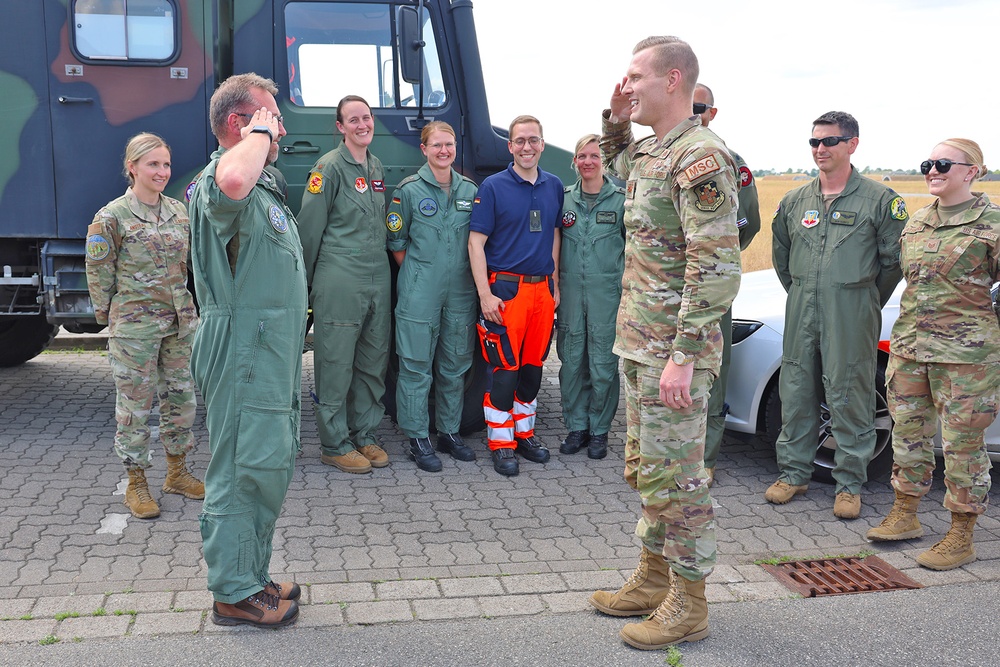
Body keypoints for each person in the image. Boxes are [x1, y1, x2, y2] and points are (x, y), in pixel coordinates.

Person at [587, 36, 741, 650]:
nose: (626, 86)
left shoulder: (701, 159)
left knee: (678, 480)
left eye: (635, 78)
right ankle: (653, 580)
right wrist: (614, 117)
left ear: (673, 79)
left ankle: (690, 603)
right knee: (648, 472)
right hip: (640, 345)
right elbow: (622, 164)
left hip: (672, 354)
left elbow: (717, 266)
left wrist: (682, 354)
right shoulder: (655, 153)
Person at [187, 73, 306, 628]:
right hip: (242, 348)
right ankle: (232, 592)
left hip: (266, 351)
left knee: (264, 463)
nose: (280, 126)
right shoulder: (225, 174)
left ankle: (251, 575)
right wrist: (256, 135)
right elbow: (233, 177)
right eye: (270, 116)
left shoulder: (263, 185)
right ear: (239, 122)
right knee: (239, 467)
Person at [866, 139, 999, 570]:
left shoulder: (992, 223)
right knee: (908, 433)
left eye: (943, 163)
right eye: (928, 163)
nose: (932, 170)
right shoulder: (917, 222)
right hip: (910, 349)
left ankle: (961, 534)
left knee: (961, 444)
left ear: (972, 171)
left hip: (966, 357)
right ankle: (905, 514)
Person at [768, 111, 906, 520]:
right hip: (802, 308)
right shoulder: (795, 201)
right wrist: (805, 291)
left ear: (852, 144)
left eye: (829, 141)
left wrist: (859, 298)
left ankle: (849, 483)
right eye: (814, 142)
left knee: (850, 392)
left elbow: (892, 262)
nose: (820, 149)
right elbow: (781, 256)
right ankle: (793, 473)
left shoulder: (881, 200)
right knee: (795, 388)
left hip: (852, 309)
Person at [85, 132, 202, 521]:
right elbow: (99, 272)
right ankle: (136, 482)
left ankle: (177, 473)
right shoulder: (112, 216)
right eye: (153, 164)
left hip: (177, 322)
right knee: (135, 408)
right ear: (132, 167)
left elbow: (191, 266)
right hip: (135, 328)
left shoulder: (178, 212)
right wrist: (110, 317)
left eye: (166, 164)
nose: (162, 172)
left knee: (182, 400)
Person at [298, 95, 390, 474]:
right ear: (340, 127)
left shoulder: (376, 165)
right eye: (353, 120)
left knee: (372, 361)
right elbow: (310, 228)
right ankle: (334, 444)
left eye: (366, 118)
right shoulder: (328, 168)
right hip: (339, 276)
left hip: (376, 276)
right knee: (335, 363)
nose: (361, 124)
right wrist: (303, 283)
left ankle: (364, 435)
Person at [469, 115, 563, 477]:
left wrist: (554, 284)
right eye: (520, 141)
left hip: (542, 291)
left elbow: (554, 235)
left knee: (532, 371)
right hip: (506, 292)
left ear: (542, 144)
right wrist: (485, 295)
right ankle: (501, 442)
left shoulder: (554, 185)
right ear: (510, 146)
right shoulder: (493, 187)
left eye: (533, 140)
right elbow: (475, 243)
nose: (527, 147)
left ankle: (524, 435)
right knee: (504, 372)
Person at [386, 121, 479, 472]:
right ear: (424, 149)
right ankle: (417, 438)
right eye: (437, 145)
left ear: (456, 149)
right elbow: (397, 241)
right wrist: (421, 274)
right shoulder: (408, 190)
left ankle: (449, 433)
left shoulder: (469, 190)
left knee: (455, 364)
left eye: (449, 145)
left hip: (460, 290)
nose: (444, 151)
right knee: (415, 365)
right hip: (420, 291)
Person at [693, 83, 761, 486]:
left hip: (709, 286)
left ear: (712, 113)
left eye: (698, 106)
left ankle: (706, 456)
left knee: (710, 371)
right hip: (662, 289)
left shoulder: (729, 162)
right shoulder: (658, 156)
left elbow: (746, 223)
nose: (691, 112)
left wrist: (714, 263)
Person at [556, 134, 626, 460]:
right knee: (571, 364)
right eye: (582, 156)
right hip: (570, 295)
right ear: (574, 161)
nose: (588, 162)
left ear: (604, 162)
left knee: (602, 367)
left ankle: (599, 431)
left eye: (594, 156)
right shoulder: (563, 199)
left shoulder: (621, 201)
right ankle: (577, 428)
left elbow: (635, 251)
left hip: (606, 297)